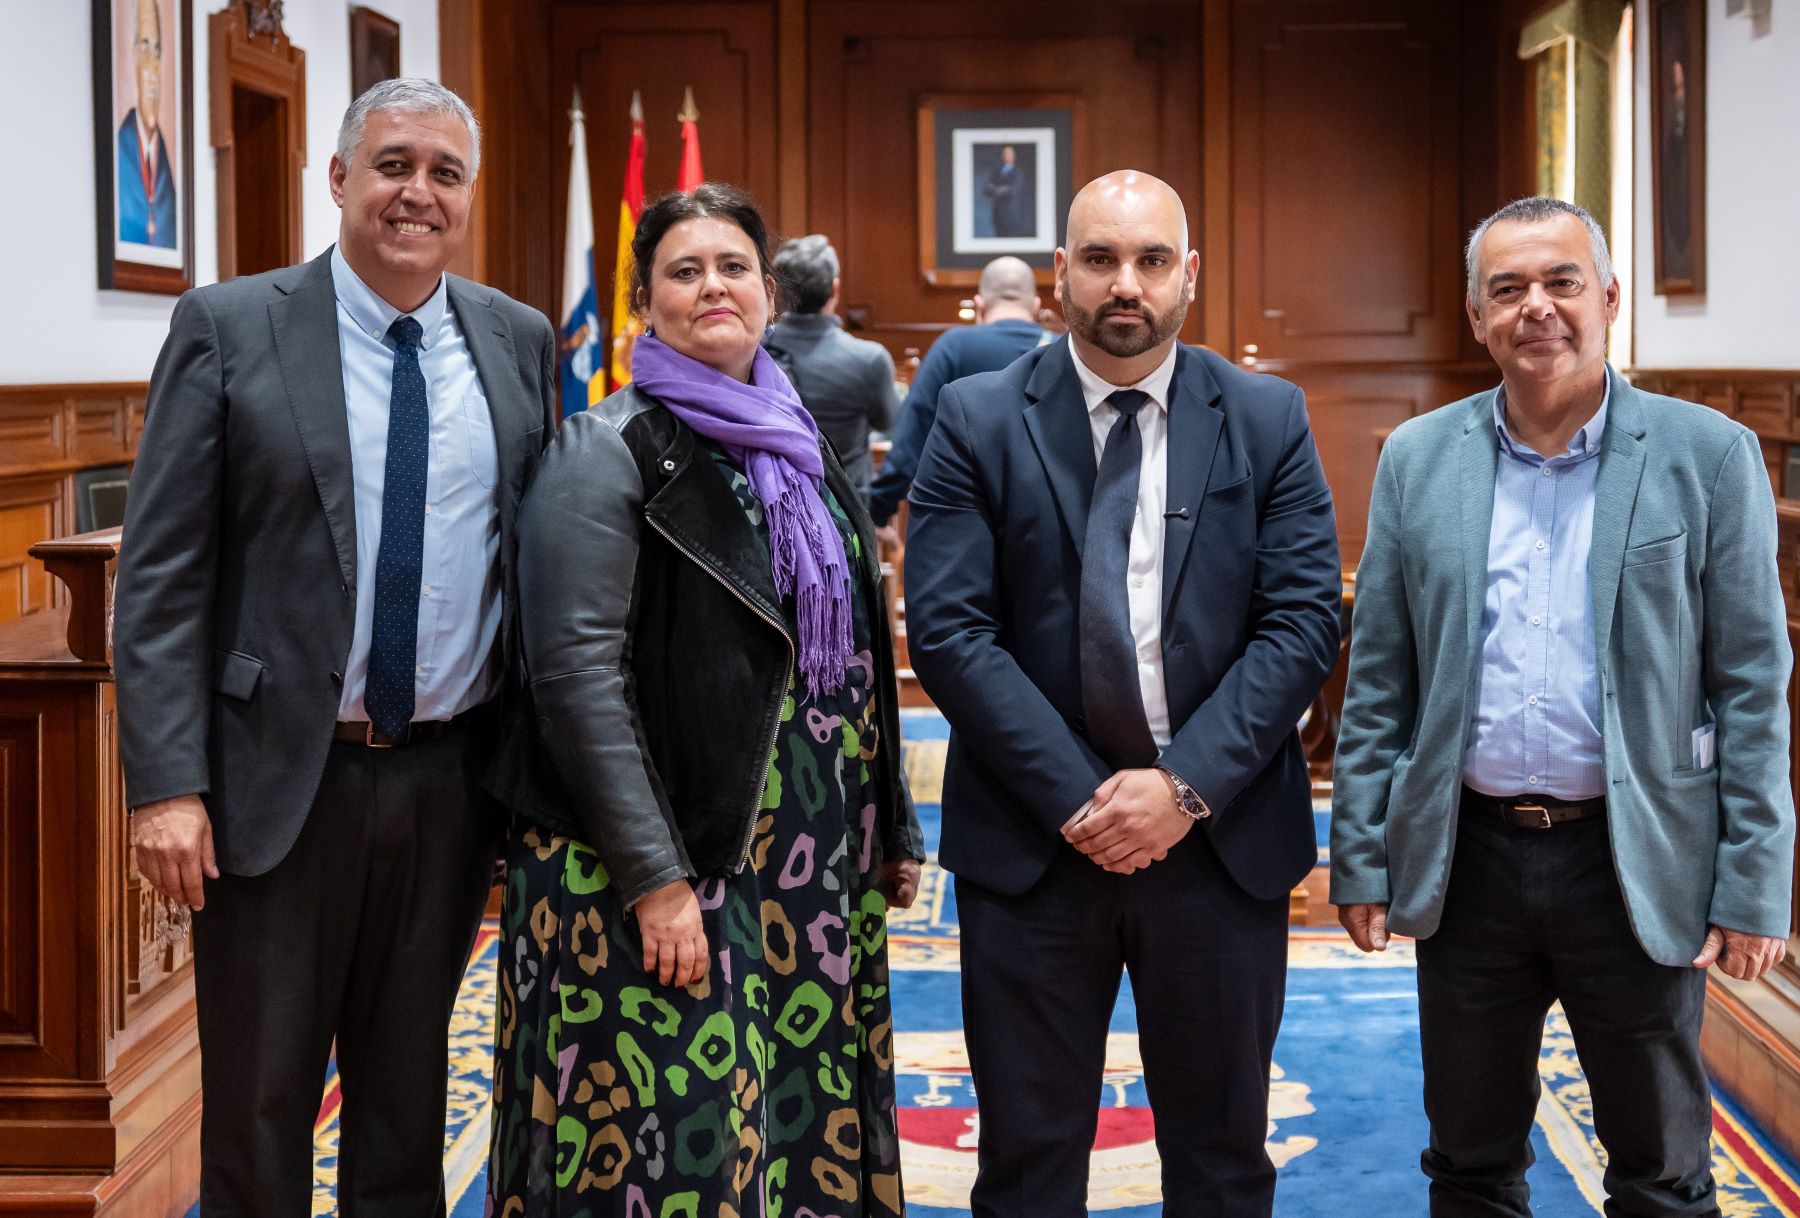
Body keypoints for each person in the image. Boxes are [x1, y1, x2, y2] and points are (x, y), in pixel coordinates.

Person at [113, 79, 558, 1215]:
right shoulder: (230, 324)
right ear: (340, 178)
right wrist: (165, 784)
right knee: (262, 1106)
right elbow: (161, 578)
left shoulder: (517, 339)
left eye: (445, 173)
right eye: (394, 165)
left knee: (408, 1103)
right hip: (276, 782)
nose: (418, 194)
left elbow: (534, 560)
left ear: (469, 196)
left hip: (449, 782)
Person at [1331, 195, 1794, 1217]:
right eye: (1508, 289)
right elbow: (1380, 684)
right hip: (1470, 859)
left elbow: (1753, 686)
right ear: (1476, 315)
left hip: (1634, 857)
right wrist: (1361, 855)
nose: (1535, 307)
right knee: (1470, 1162)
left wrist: (1755, 882)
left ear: (1610, 298)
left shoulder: (1708, 454)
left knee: (1662, 1173)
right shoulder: (1418, 458)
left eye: (1561, 282)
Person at [905, 169, 1341, 1217]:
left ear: (1191, 273)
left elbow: (1300, 624)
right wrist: (1085, 802)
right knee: (1027, 1162)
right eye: (1100, 259)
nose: (1126, 285)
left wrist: (1180, 789)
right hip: (1033, 843)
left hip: (1218, 843)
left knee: (1223, 1158)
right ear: (1062, 273)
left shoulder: (1268, 416)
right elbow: (951, 631)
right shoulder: (975, 417)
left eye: (1151, 260)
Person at [484, 183, 924, 1217]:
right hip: (660, 859)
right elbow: (575, 681)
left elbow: (855, 650)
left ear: (770, 292)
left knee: (795, 1126)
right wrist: (656, 878)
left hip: (803, 862)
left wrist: (887, 819)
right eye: (685, 272)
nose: (713, 287)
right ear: (645, 303)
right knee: (669, 1144)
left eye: (734, 268)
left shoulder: (796, 440)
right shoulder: (604, 449)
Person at [866, 254, 1048, 545]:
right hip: (1045, 522)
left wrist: (878, 509)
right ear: (1036, 307)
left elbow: (914, 431)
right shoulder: (1060, 350)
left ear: (979, 305)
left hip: (964, 522)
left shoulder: (953, 346)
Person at [763, 233, 900, 499]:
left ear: (777, 291)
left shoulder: (752, 354)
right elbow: (888, 421)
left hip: (776, 500)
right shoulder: (870, 358)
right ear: (835, 289)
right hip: (851, 501)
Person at [116, 0, 176, 248]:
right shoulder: (120, 148)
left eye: (158, 53)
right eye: (145, 51)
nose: (152, 73)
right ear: (133, 57)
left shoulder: (165, 171)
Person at [982, 144, 1034, 238]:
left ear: (1014, 156)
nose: (1006, 156)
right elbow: (986, 189)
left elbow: (1011, 191)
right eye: (1004, 153)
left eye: (1009, 153)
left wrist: (995, 189)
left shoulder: (1019, 173)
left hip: (1012, 216)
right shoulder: (996, 172)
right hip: (998, 215)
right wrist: (1001, 189)